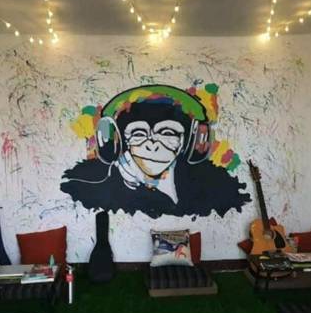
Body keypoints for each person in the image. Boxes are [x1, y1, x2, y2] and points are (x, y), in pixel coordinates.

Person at [60, 85, 250, 218]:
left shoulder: (216, 186)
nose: (152, 145)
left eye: (167, 133)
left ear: (192, 141)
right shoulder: (85, 189)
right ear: (117, 140)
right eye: (138, 133)